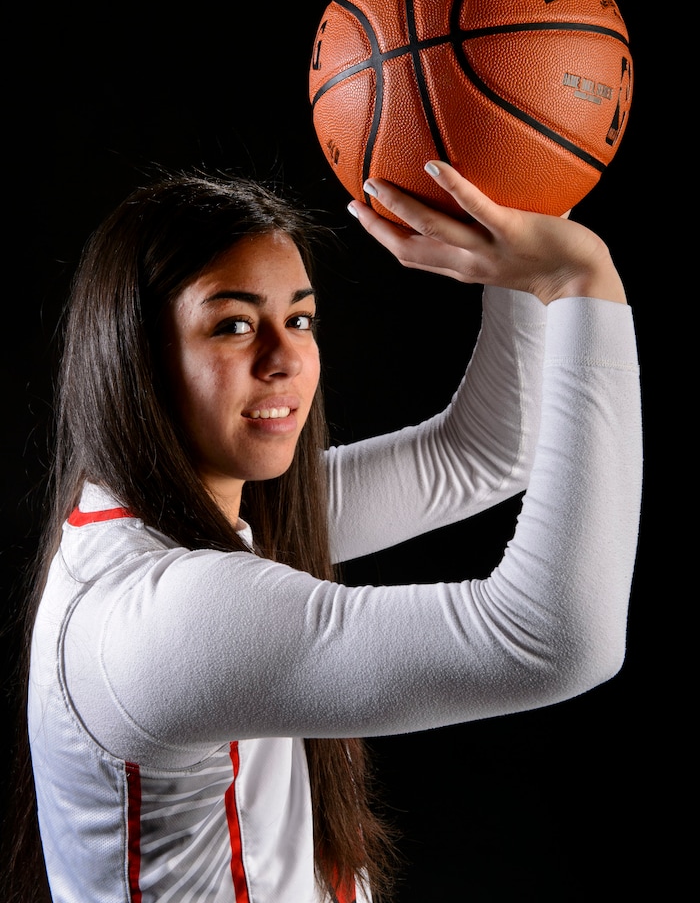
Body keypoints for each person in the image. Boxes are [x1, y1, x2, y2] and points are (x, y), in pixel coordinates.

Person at [10, 160, 641, 903]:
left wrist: (517, 214)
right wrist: (580, 282)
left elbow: (487, 454)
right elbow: (554, 639)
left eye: (300, 319)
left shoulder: (183, 515)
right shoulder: (163, 614)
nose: (284, 360)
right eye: (234, 325)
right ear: (136, 357)